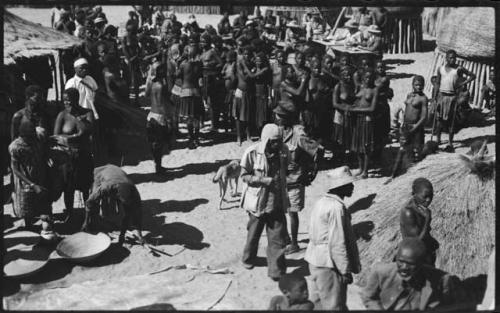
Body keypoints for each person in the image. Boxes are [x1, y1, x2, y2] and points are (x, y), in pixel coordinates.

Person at [304, 166, 361, 310]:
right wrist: (344, 270)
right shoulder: (336, 208)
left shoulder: (321, 202)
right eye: (349, 184)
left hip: (315, 259)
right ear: (339, 187)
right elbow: (337, 242)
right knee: (334, 305)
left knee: (318, 302)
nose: (352, 187)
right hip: (329, 262)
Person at [240, 123, 290, 281]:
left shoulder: (284, 151)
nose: (277, 144)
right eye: (274, 141)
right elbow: (244, 175)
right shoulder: (252, 152)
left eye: (279, 140)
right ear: (266, 140)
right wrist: (262, 180)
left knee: (277, 238)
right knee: (253, 234)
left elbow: (288, 169)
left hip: (277, 202)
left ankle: (276, 270)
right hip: (258, 202)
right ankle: (248, 258)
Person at [361, 238, 465, 310]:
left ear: (421, 263)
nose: (404, 268)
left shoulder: (441, 279)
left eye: (411, 264)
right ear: (396, 258)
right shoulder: (380, 272)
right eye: (401, 261)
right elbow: (368, 297)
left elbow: (451, 305)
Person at [274, 102, 322, 255]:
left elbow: (317, 151)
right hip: (281, 180)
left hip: (295, 180)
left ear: (287, 118)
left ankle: (294, 243)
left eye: (279, 116)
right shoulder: (279, 132)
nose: (276, 118)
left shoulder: (299, 135)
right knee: (280, 210)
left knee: (292, 212)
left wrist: (312, 174)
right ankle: (286, 238)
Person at [53, 88, 94, 222]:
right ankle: (70, 214)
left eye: (69, 101)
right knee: (68, 187)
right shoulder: (62, 115)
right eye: (64, 101)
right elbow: (56, 136)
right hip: (67, 157)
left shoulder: (87, 113)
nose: (67, 104)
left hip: (83, 155)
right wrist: (74, 137)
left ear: (77, 100)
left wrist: (78, 120)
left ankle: (88, 214)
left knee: (85, 186)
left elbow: (89, 130)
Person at [82, 164, 144, 245]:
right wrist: (86, 222)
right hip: (101, 173)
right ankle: (93, 223)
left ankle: (109, 219)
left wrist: (139, 236)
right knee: (95, 201)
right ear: (117, 194)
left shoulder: (134, 193)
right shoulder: (106, 187)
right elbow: (89, 202)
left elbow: (135, 215)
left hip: (118, 175)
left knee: (127, 211)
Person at [9, 122, 51, 230]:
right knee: (27, 204)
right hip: (25, 180)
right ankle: (28, 225)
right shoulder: (15, 147)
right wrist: (32, 184)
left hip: (39, 175)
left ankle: (45, 226)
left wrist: (47, 158)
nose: (33, 138)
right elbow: (15, 170)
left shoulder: (36, 141)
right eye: (30, 137)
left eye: (34, 136)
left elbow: (43, 151)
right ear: (22, 136)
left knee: (43, 201)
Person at [434, 49, 476, 152]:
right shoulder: (441, 69)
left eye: (454, 58)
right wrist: (435, 96)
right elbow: (437, 83)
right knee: (439, 120)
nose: (452, 60)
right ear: (446, 58)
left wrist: (462, 83)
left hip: (452, 97)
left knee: (451, 121)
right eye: (450, 57)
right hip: (441, 96)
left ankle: (450, 142)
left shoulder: (458, 69)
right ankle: (437, 140)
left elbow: (473, 76)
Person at [387, 76, 428, 181]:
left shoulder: (423, 98)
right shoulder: (409, 95)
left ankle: (416, 177)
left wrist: (414, 128)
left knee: (416, 152)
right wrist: (403, 125)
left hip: (416, 127)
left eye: (421, 85)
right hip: (406, 126)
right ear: (412, 85)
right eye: (416, 85)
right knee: (402, 150)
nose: (419, 87)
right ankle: (394, 174)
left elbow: (423, 117)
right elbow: (406, 111)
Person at [399, 178, 439, 266]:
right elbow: (416, 242)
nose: (428, 200)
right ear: (413, 194)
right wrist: (427, 220)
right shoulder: (408, 212)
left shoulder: (420, 208)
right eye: (425, 196)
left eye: (431, 196)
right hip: (414, 258)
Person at [349, 70, 379, 178]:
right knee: (358, 145)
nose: (368, 79)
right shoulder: (360, 87)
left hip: (367, 119)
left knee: (366, 145)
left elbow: (372, 108)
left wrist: (356, 110)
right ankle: (360, 168)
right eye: (366, 77)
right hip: (358, 119)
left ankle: (366, 171)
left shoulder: (375, 90)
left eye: (370, 77)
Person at [145, 62, 171, 175]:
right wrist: (168, 119)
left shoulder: (152, 84)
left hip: (151, 114)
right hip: (160, 116)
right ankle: (158, 168)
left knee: (155, 143)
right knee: (159, 143)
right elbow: (161, 104)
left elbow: (146, 94)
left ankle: (157, 166)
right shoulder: (161, 85)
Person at [178, 45, 204, 148]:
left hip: (185, 91)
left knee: (189, 117)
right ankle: (196, 139)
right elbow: (200, 80)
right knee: (196, 117)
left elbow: (177, 75)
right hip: (196, 91)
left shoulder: (183, 64)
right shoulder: (199, 64)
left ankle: (191, 138)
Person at [332, 66, 356, 164]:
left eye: (349, 75)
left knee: (349, 136)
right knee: (339, 137)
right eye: (346, 75)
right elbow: (335, 103)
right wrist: (345, 108)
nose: (348, 77)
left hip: (350, 114)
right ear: (341, 76)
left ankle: (349, 158)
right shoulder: (338, 86)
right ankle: (338, 157)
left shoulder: (352, 85)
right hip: (340, 114)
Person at [200, 34, 224, 132]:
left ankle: (215, 125)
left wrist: (211, 68)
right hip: (203, 78)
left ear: (209, 42)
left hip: (211, 79)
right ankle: (207, 123)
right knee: (205, 102)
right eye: (201, 41)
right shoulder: (202, 51)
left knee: (212, 103)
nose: (202, 43)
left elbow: (220, 63)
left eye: (204, 41)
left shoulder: (212, 52)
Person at [233, 46, 255, 145]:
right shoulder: (239, 65)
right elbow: (245, 78)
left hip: (249, 92)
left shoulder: (252, 64)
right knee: (238, 116)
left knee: (248, 115)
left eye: (248, 54)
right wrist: (248, 70)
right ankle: (239, 137)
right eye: (245, 54)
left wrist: (247, 69)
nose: (246, 56)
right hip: (240, 91)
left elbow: (250, 76)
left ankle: (248, 135)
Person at [122, 22, 142, 106]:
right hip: (128, 61)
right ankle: (127, 100)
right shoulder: (125, 38)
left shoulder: (135, 38)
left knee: (136, 81)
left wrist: (138, 56)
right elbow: (124, 49)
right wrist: (129, 59)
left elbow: (138, 48)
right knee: (128, 81)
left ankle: (136, 100)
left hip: (135, 61)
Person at [221, 50, 237, 132]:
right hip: (226, 90)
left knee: (232, 110)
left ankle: (232, 126)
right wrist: (227, 76)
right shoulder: (226, 65)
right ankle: (227, 127)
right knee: (226, 109)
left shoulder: (234, 65)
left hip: (232, 89)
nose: (226, 58)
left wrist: (228, 76)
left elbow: (233, 78)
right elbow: (222, 73)